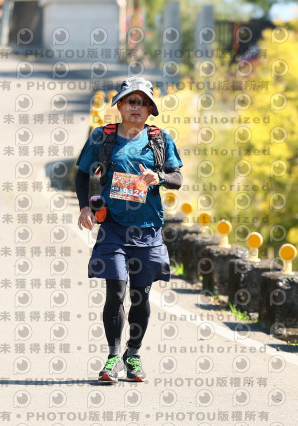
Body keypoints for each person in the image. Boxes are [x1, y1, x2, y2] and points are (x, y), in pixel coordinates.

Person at [75, 76, 183, 382]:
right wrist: (84, 208)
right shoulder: (102, 137)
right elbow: (82, 174)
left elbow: (177, 178)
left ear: (150, 110)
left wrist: (159, 178)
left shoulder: (160, 139)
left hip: (148, 230)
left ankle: (133, 354)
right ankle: (113, 357)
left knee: (140, 296)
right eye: (132, 101)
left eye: (144, 103)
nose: (137, 107)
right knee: (116, 291)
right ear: (120, 105)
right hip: (113, 227)